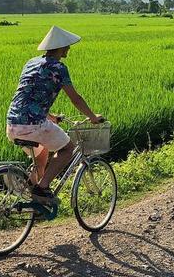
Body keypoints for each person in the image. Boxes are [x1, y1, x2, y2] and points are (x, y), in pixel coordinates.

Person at [6, 25, 104, 204]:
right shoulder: (59, 68)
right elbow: (75, 99)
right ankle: (42, 189)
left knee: (42, 155)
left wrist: (51, 117)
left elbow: (30, 96)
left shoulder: (31, 63)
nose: (68, 48)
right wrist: (92, 117)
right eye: (66, 45)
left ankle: (32, 197)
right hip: (33, 125)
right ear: (60, 47)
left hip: (12, 123)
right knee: (67, 149)